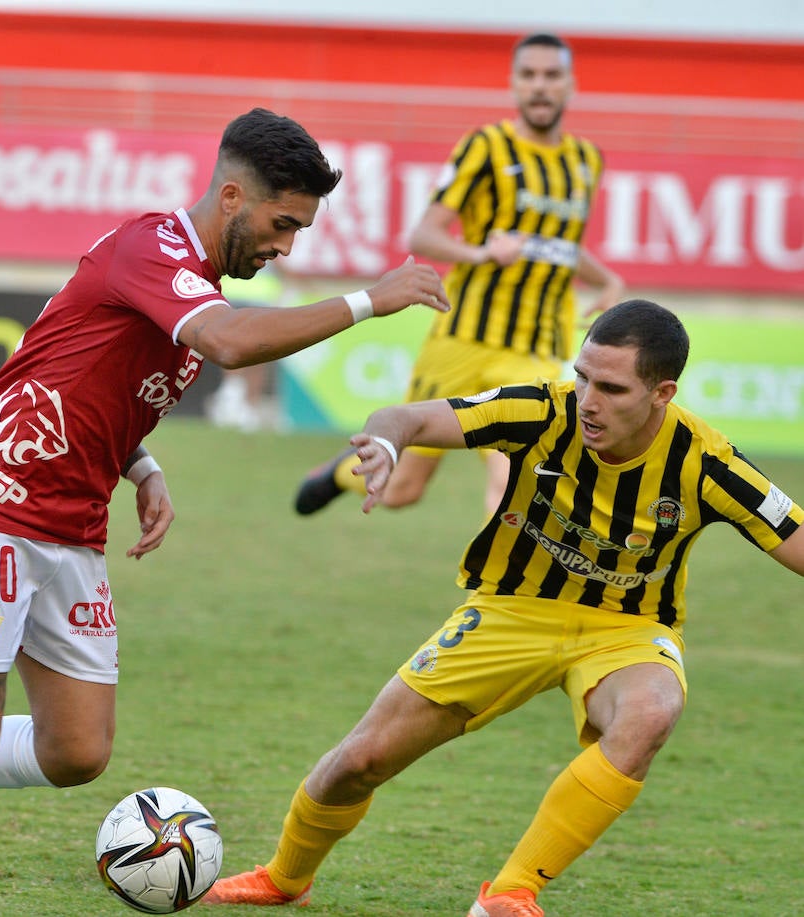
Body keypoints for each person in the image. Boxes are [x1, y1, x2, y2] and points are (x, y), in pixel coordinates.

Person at [0, 108, 450, 917]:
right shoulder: (153, 248)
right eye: (281, 223)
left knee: (77, 750)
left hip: (70, 529)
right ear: (232, 195)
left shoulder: (195, 286)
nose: (286, 246)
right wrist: (371, 300)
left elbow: (73, 360)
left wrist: (142, 463)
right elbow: (230, 342)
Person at [206, 299, 804, 916]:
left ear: (662, 391)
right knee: (358, 762)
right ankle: (285, 878)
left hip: (627, 629)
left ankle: (510, 894)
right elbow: (404, 415)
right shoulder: (542, 409)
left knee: (652, 711)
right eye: (583, 377)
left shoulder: (706, 461)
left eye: (611, 387)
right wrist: (387, 442)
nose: (588, 399)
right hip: (511, 610)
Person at [294, 32, 624, 519]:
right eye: (529, 75)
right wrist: (483, 252)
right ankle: (342, 472)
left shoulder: (585, 161)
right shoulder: (486, 147)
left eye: (551, 76)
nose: (540, 86)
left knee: (517, 476)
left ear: (570, 85)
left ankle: (498, 593)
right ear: (514, 84)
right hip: (463, 339)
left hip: (534, 350)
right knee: (402, 490)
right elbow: (423, 236)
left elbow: (560, 244)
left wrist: (609, 281)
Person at [205, 267, 285, 432]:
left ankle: (244, 405)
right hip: (247, 296)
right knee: (244, 348)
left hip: (254, 296)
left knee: (254, 350)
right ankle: (235, 401)